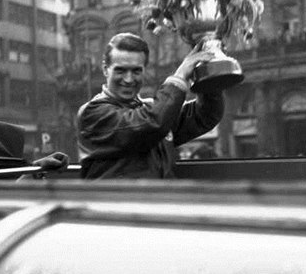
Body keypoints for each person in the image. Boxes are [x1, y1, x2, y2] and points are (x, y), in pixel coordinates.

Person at [77, 32, 224, 179]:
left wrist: (206, 71)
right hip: (119, 201)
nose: (128, 79)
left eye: (136, 71)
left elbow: (206, 115)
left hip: (158, 199)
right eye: (120, 70)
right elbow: (153, 122)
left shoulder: (154, 110)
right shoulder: (92, 114)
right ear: (105, 69)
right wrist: (179, 77)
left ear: (144, 70)